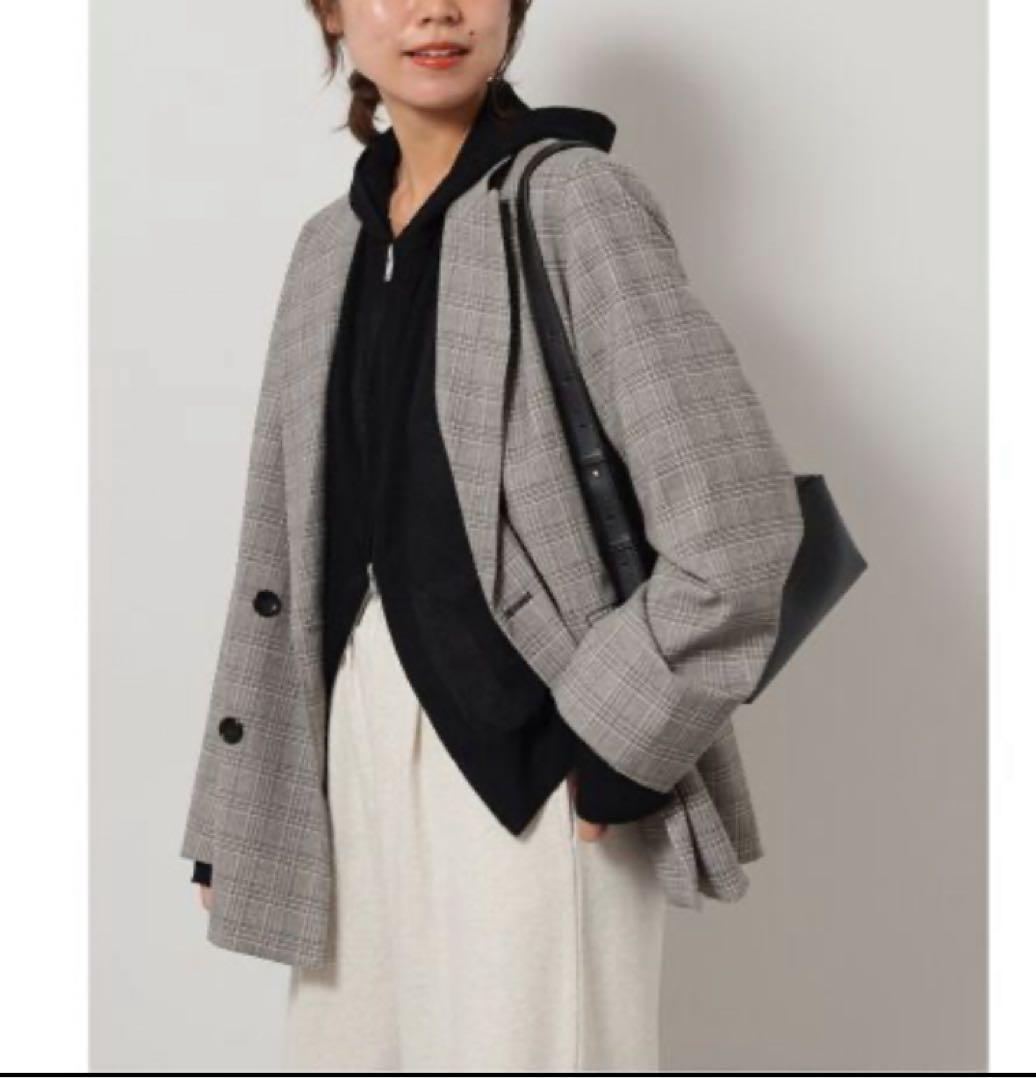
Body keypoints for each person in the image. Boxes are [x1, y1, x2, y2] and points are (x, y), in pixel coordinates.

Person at [180, 0, 805, 1071]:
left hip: (537, 760)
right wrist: (243, 793)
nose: (437, 9)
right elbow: (280, 552)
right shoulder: (329, 246)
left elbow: (738, 523)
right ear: (331, 13)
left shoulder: (571, 201)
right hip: (349, 761)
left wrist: (618, 741)